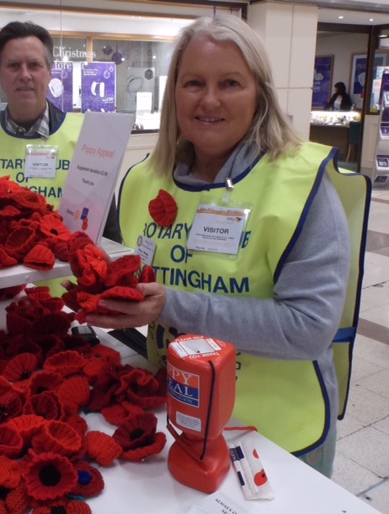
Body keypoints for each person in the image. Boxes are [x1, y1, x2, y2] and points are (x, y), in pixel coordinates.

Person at [81, 15, 369, 477]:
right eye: (194, 83)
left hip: (278, 436)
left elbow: (308, 329)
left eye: (230, 83)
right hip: (174, 415)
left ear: (260, 95)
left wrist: (170, 306)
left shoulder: (301, 187)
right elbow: (145, 276)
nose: (209, 100)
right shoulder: (142, 180)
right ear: (174, 94)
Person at [0, 21, 122, 243]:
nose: (25, 74)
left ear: (49, 73)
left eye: (34, 65)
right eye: (13, 65)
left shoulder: (87, 139)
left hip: (66, 266)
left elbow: (108, 235)